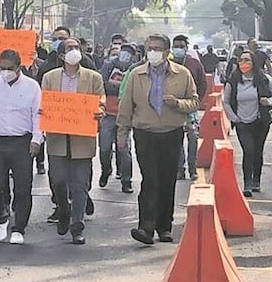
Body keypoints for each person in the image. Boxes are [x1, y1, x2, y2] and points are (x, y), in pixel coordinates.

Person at [117, 34, 200, 245]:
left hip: (171, 133)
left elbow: (194, 102)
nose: (153, 52)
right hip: (145, 133)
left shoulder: (182, 74)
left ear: (166, 51)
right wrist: (122, 135)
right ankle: (146, 227)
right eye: (150, 48)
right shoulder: (136, 75)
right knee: (150, 179)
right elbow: (126, 106)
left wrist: (178, 103)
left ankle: (164, 227)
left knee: (167, 180)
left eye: (157, 48)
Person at [41, 38, 105, 244]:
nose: (74, 50)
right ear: (61, 55)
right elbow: (43, 101)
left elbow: (101, 100)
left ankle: (77, 225)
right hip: (57, 137)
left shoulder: (94, 77)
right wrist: (43, 111)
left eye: (77, 47)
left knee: (80, 185)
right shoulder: (49, 77)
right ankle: (63, 209)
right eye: (70, 48)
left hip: (82, 138)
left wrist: (99, 110)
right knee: (58, 180)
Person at [0, 48, 43, 246]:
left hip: (22, 142)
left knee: (23, 187)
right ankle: (1, 218)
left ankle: (19, 227)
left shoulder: (32, 86)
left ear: (18, 66)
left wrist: (37, 139)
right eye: (2, 68)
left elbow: (38, 115)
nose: (5, 72)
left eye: (9, 68)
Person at [223, 50, 272, 197]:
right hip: (242, 122)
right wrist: (234, 118)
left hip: (260, 121)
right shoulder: (233, 81)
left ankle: (256, 181)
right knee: (248, 151)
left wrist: (269, 101)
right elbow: (226, 102)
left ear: (253, 63)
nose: (244, 63)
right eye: (241, 60)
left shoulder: (264, 78)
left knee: (257, 151)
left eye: (247, 60)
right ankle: (247, 183)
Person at [99, 44, 135, 193]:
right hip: (107, 114)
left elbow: (132, 90)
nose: (125, 55)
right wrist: (120, 87)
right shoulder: (108, 66)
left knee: (124, 149)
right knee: (104, 148)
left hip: (125, 115)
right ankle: (106, 169)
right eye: (124, 51)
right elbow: (101, 84)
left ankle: (126, 180)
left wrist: (114, 86)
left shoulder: (134, 69)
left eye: (129, 53)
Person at [172, 35, 208, 181]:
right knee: (176, 139)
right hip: (173, 108)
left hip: (191, 108)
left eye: (181, 46)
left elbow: (203, 83)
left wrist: (197, 101)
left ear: (186, 48)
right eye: (176, 46)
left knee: (193, 138)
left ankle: (193, 169)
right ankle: (179, 169)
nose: (178, 49)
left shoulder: (194, 64)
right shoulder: (168, 63)